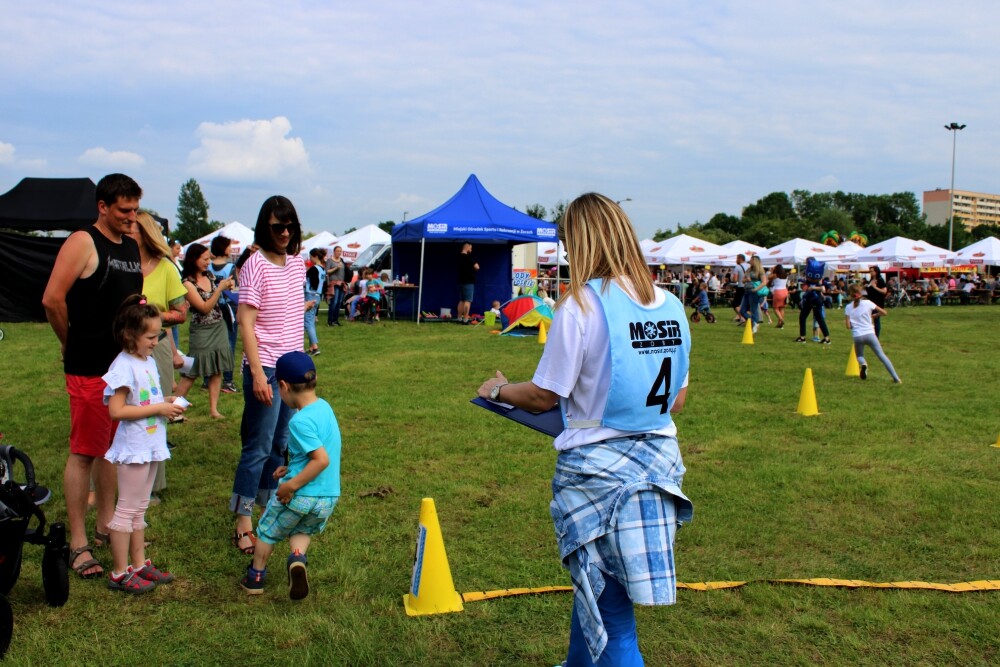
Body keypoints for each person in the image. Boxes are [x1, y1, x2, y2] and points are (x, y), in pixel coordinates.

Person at [477, 193, 693, 666]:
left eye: (569, 245)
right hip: (659, 467)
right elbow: (677, 397)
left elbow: (542, 396)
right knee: (596, 585)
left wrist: (497, 390)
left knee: (615, 617)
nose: (568, 256)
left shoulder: (581, 306)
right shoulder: (672, 305)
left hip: (600, 475)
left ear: (583, 241)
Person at [42, 173, 144, 579]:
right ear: (102, 206)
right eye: (123, 210)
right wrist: (71, 342)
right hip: (87, 365)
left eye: (135, 210)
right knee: (85, 451)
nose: (130, 217)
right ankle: (78, 543)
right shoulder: (83, 241)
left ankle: (106, 524)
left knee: (112, 447)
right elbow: (52, 299)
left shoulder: (132, 246)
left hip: (121, 366)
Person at [231, 196, 307, 556]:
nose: (284, 232)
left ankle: (266, 507)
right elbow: (246, 321)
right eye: (278, 227)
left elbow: (295, 316)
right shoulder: (254, 265)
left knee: (281, 445)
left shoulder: (297, 263)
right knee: (258, 446)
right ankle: (242, 520)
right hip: (267, 366)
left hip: (292, 367)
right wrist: (259, 373)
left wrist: (303, 362)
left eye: (289, 226)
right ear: (265, 227)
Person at [240, 351, 341, 598]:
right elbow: (316, 451)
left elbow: (321, 459)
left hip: (300, 494)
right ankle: (297, 559)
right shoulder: (324, 407)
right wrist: (291, 467)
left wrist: (290, 485)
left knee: (267, 530)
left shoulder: (299, 421)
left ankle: (256, 577)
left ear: (283, 386)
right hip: (327, 498)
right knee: (302, 529)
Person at [102, 295, 186, 593]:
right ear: (130, 336)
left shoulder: (146, 360)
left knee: (139, 509)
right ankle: (118, 572)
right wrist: (158, 410)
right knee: (126, 510)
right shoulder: (123, 366)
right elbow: (117, 410)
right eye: (151, 336)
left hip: (150, 444)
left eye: (158, 334)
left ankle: (138, 565)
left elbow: (146, 400)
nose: (156, 341)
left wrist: (166, 402)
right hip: (134, 448)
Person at [127, 212, 188, 503]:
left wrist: (148, 314)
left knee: (154, 412)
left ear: (146, 233)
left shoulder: (165, 268)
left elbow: (182, 313)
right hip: (121, 349)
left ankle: (152, 485)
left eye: (133, 228)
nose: (127, 231)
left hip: (157, 347)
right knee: (118, 410)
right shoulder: (118, 263)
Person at [175, 243, 236, 419]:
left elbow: (215, 299)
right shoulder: (187, 283)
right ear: (194, 260)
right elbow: (204, 307)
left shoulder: (208, 276)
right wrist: (219, 289)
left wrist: (227, 286)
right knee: (192, 371)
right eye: (205, 259)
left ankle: (213, 410)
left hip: (218, 327)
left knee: (217, 368)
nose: (208, 262)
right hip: (201, 331)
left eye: (209, 258)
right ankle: (174, 408)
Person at [844, 284, 901, 383]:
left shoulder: (848, 307)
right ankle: (896, 378)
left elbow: (848, 326)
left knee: (859, 356)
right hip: (870, 334)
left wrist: (855, 325)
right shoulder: (868, 303)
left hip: (858, 335)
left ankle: (864, 364)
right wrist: (874, 316)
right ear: (860, 293)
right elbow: (884, 312)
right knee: (881, 355)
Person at [207, 235, 239, 394]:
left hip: (211, 308)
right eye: (229, 246)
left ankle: (208, 379)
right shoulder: (230, 268)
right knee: (229, 345)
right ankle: (228, 380)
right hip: (228, 310)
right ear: (223, 248)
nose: (231, 249)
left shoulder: (208, 267)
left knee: (211, 345)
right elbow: (235, 290)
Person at [796, 257, 830, 344]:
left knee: (819, 318)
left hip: (816, 299)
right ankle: (802, 337)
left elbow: (823, 289)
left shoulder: (818, 277)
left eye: (807, 263)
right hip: (809, 299)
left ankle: (826, 338)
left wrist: (813, 288)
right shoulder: (809, 275)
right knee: (802, 317)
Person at [304, 248, 325, 355]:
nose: (310, 259)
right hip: (318, 295)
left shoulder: (313, 269)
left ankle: (316, 347)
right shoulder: (322, 269)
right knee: (311, 322)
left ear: (315, 257)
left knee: (307, 322)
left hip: (310, 295)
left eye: (311, 257)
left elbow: (305, 281)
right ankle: (312, 347)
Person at [740, 255, 767, 334]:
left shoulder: (760, 270)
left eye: (751, 260)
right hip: (746, 291)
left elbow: (764, 282)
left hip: (754, 292)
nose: (750, 261)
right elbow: (743, 280)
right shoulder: (749, 269)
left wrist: (756, 289)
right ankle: (755, 323)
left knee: (753, 309)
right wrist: (746, 280)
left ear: (755, 261)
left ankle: (754, 324)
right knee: (742, 310)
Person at [456, 242, 479, 325]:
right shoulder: (468, 257)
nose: (471, 250)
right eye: (471, 248)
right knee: (467, 301)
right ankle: (465, 319)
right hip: (468, 281)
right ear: (467, 247)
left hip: (460, 281)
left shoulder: (458, 257)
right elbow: (477, 267)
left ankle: (459, 318)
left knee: (461, 300)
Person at [325, 245, 348, 327]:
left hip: (341, 283)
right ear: (334, 252)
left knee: (339, 302)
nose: (339, 252)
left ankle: (336, 320)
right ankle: (330, 320)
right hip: (333, 283)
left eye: (340, 251)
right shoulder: (330, 260)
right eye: (337, 251)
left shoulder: (341, 261)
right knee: (334, 302)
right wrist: (336, 268)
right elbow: (327, 271)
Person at [865, 266, 888, 338]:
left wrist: (875, 287)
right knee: (869, 318)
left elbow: (884, 291)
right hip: (870, 301)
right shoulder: (871, 280)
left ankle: (876, 336)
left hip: (877, 302)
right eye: (870, 271)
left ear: (876, 272)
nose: (870, 272)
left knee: (876, 318)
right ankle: (871, 334)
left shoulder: (880, 280)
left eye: (872, 271)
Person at [769, 265, 789, 329]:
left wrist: (771, 271)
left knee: (775, 308)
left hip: (778, 291)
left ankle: (781, 320)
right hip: (785, 291)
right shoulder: (785, 275)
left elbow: (768, 277)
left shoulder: (775, 275)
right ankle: (779, 323)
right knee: (782, 308)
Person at [731, 253, 747, 325]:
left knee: (735, 304)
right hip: (750, 287)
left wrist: (732, 278)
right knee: (746, 304)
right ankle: (745, 318)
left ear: (740, 259)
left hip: (741, 287)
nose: (736, 260)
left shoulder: (737, 267)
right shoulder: (749, 266)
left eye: (737, 258)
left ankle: (743, 318)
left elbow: (735, 280)